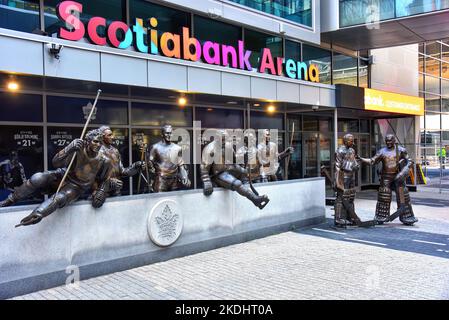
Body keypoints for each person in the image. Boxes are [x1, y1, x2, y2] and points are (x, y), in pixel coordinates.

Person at [16, 129, 112, 227]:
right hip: (64, 175)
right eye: (95, 141)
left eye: (100, 142)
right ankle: (11, 199)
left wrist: (101, 192)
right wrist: (69, 148)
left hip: (78, 186)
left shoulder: (105, 161)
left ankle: (38, 213)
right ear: (87, 141)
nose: (98, 145)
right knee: (38, 178)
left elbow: (105, 179)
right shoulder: (78, 149)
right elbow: (56, 163)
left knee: (60, 198)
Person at [201, 130, 269, 209]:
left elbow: (234, 161)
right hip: (218, 173)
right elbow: (204, 167)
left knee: (244, 171)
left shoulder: (228, 146)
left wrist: (243, 159)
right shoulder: (210, 149)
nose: (224, 141)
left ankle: (245, 182)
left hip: (230, 168)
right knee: (237, 183)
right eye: (222, 139)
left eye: (225, 139)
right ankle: (255, 199)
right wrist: (207, 181)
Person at [358, 134, 418, 226]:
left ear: (394, 141)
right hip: (386, 178)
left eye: (390, 141)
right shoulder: (382, 151)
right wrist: (361, 159)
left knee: (403, 197)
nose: (388, 143)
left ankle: (407, 217)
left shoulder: (401, 150)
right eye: (387, 141)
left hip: (399, 177)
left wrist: (403, 172)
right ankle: (381, 216)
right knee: (384, 197)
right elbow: (372, 161)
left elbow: (410, 161)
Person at [92, 126, 145, 208]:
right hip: (102, 191)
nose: (112, 137)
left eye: (111, 134)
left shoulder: (115, 151)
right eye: (109, 135)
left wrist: (136, 166)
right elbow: (92, 175)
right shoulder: (97, 151)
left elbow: (122, 172)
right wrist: (98, 188)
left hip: (116, 190)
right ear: (102, 137)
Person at [146, 125, 191, 192]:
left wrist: (185, 176)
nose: (169, 135)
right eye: (167, 133)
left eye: (170, 133)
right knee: (159, 200)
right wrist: (151, 168)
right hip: (161, 180)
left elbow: (181, 165)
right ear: (162, 134)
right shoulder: (155, 147)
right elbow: (149, 163)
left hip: (174, 180)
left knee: (174, 199)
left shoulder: (177, 148)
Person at [333, 134, 364, 227]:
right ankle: (338, 218)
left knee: (351, 196)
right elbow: (337, 166)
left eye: (352, 140)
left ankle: (350, 216)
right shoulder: (340, 150)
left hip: (351, 176)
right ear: (345, 141)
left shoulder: (352, 150)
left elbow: (353, 161)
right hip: (343, 176)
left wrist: (356, 165)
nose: (353, 142)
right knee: (341, 197)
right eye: (351, 141)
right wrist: (338, 181)